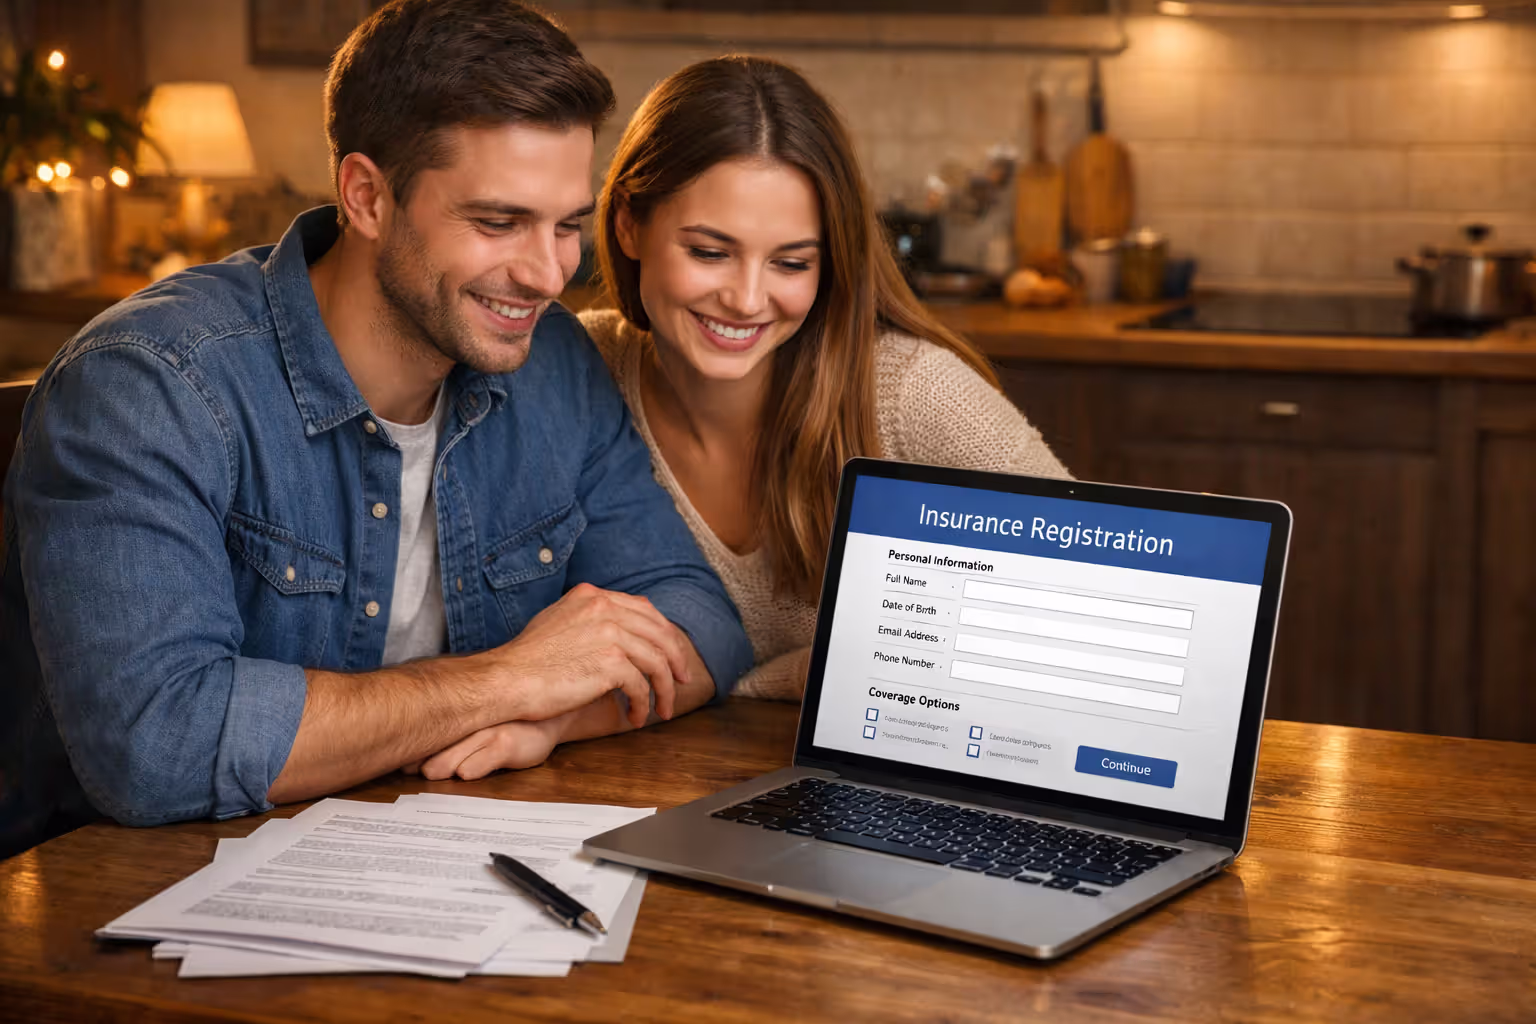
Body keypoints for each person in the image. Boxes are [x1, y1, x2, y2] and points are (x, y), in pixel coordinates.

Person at [0, 0, 752, 859]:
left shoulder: (553, 366)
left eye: (568, 225)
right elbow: (157, 747)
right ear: (365, 196)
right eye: (499, 222)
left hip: (429, 865)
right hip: (117, 901)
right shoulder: (149, 385)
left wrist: (554, 717)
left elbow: (701, 622)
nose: (551, 274)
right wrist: (511, 678)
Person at [435, 56, 1070, 776]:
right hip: (649, 786)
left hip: (892, 790)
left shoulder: (911, 394)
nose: (744, 298)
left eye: (791, 263)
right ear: (630, 224)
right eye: (710, 251)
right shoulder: (578, 370)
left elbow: (1090, 594)